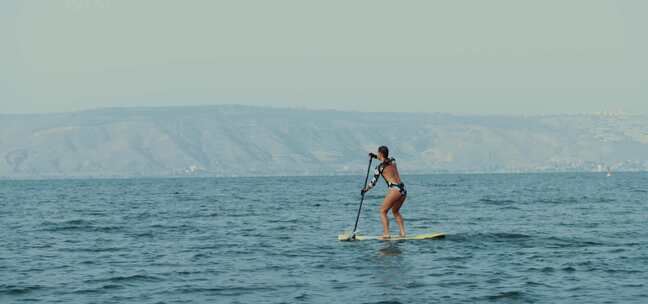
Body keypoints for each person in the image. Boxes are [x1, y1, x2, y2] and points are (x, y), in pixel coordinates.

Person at [361, 146, 407, 239]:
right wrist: (374, 156)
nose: (377, 155)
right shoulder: (393, 160)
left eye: (378, 153)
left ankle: (386, 234)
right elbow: (384, 159)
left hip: (395, 190)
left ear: (380, 154)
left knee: (383, 211)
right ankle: (403, 233)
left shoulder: (379, 168)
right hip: (403, 190)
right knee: (395, 211)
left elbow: (373, 182)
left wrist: (366, 189)